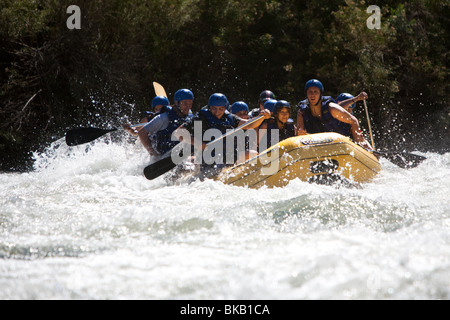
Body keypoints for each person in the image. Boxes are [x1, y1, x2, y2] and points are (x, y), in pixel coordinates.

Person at [177, 93, 271, 167]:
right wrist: (197, 142)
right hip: (209, 159)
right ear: (209, 107)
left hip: (229, 155)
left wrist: (261, 117)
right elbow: (178, 132)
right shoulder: (200, 118)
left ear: (225, 108)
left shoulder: (229, 118)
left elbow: (249, 125)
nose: (217, 112)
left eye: (221, 109)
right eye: (214, 109)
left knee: (253, 154)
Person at [137, 89, 194, 157]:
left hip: (179, 153)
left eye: (190, 104)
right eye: (185, 103)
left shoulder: (189, 117)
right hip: (162, 154)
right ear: (176, 102)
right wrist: (153, 154)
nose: (188, 107)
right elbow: (142, 133)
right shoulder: (163, 118)